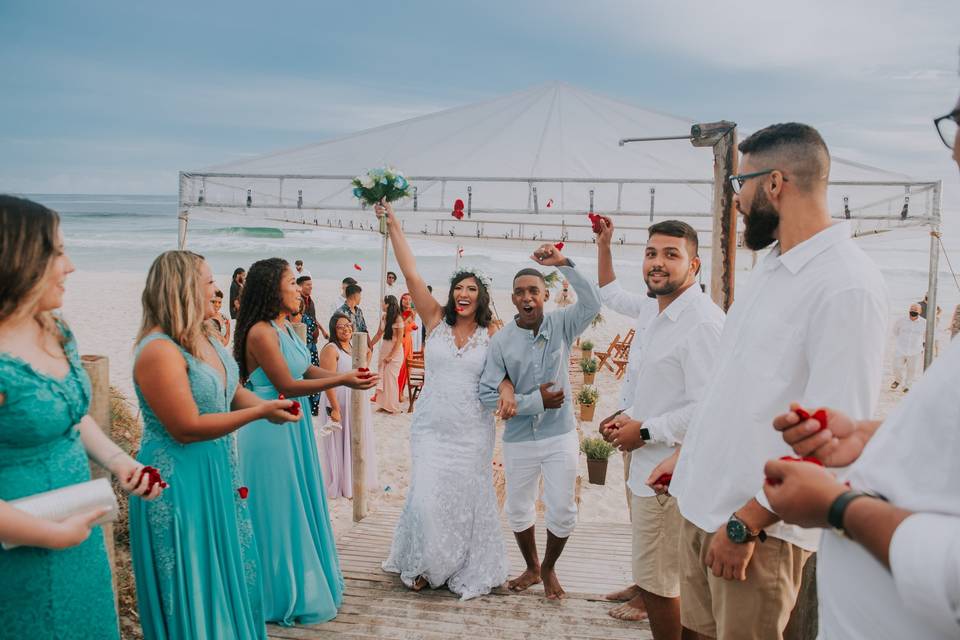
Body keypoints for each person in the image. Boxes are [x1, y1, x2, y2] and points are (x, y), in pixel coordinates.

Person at [654, 123, 887, 640]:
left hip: (757, 535)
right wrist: (687, 455)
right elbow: (733, 387)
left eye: (740, 184)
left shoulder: (847, 285)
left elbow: (830, 441)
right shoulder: (773, 267)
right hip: (703, 505)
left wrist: (748, 522)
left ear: (775, 183)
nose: (736, 200)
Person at [760, 92, 960, 640]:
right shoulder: (766, 273)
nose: (952, 161)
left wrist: (838, 506)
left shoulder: (849, 283)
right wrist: (872, 436)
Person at [0, 196, 161, 640]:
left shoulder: (55, 327)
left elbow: (71, 416)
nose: (69, 266)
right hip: (18, 547)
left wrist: (120, 463)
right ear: (17, 259)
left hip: (76, 529)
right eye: (57, 252)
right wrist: (49, 535)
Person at [130, 250, 299, 639]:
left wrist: (268, 406)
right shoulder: (159, 350)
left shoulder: (205, 336)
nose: (217, 289)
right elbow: (186, 427)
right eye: (208, 281)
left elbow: (229, 391)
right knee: (194, 583)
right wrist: (259, 414)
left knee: (229, 571)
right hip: (178, 481)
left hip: (218, 470)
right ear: (184, 288)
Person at [376, 200, 510, 600]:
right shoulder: (434, 319)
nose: (463, 294)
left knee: (463, 500)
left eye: (472, 289)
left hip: (472, 432)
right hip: (431, 428)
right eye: (459, 287)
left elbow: (506, 373)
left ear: (482, 296)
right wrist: (394, 225)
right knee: (425, 497)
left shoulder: (494, 333)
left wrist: (505, 389)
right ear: (451, 294)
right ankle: (424, 562)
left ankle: (454, 564)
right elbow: (411, 272)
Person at [233, 258, 379, 625]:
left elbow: (305, 370)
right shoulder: (260, 333)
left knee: (297, 503)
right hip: (268, 426)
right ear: (272, 289)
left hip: (292, 423)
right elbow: (287, 385)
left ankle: (296, 582)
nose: (298, 289)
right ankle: (272, 593)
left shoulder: (284, 327)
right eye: (291, 283)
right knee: (277, 511)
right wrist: (341, 382)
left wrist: (344, 373)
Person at [600, 220, 724, 639]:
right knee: (661, 583)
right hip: (649, 470)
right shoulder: (659, 313)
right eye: (652, 253)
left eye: (671, 254)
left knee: (661, 586)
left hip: (670, 478)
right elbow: (661, 392)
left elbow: (709, 409)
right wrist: (626, 416)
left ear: (694, 264)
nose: (657, 262)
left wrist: (646, 431)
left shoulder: (702, 324)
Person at [479, 243, 602, 600]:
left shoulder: (563, 323)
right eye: (520, 293)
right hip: (518, 439)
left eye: (534, 291)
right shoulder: (501, 342)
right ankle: (532, 567)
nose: (527, 297)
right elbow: (488, 394)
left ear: (545, 295)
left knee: (563, 509)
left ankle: (549, 566)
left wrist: (564, 263)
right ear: (513, 299)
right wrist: (536, 402)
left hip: (559, 435)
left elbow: (593, 302)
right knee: (518, 509)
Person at [319, 312, 379, 498]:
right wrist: (335, 408)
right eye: (340, 326)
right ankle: (340, 482)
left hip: (355, 400)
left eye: (348, 325)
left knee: (355, 439)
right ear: (333, 330)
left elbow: (359, 370)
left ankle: (353, 480)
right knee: (339, 442)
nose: (346, 329)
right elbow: (326, 380)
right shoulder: (331, 349)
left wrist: (368, 357)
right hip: (338, 399)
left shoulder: (353, 346)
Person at [375, 296, 405, 414]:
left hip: (395, 352)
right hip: (384, 348)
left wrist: (391, 356)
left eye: (383, 302)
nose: (381, 304)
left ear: (388, 304)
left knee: (391, 377)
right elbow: (378, 334)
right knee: (382, 377)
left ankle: (392, 406)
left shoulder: (398, 319)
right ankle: (383, 404)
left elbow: (399, 341)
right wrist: (369, 345)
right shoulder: (384, 317)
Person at [298, 275, 322, 414]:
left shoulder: (310, 301)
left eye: (311, 285)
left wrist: (322, 331)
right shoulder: (298, 301)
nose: (310, 287)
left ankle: (313, 405)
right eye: (307, 285)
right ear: (300, 286)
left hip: (312, 341)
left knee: (313, 371)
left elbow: (314, 319)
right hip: (303, 341)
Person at [890, 303, 925, 392]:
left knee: (912, 369)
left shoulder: (924, 323)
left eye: (915, 310)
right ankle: (898, 380)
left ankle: (907, 386)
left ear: (920, 312)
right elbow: (895, 331)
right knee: (896, 367)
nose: (913, 311)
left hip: (915, 350)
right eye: (911, 309)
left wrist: (922, 346)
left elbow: (927, 335)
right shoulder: (901, 320)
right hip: (900, 348)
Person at [339, 283, 383, 352]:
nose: (360, 298)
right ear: (355, 296)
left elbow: (364, 329)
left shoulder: (359, 311)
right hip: (347, 348)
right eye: (360, 295)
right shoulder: (341, 312)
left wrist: (369, 344)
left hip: (360, 348)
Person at [397, 293, 416, 399]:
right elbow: (399, 327)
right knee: (400, 367)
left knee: (407, 368)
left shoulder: (412, 313)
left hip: (409, 342)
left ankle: (401, 391)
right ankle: (398, 391)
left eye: (409, 299)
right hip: (401, 341)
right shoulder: (398, 313)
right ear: (401, 301)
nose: (407, 301)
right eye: (404, 299)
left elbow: (412, 326)